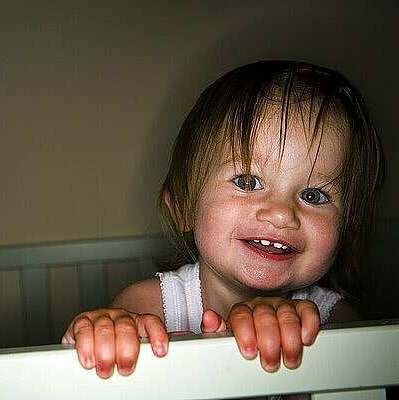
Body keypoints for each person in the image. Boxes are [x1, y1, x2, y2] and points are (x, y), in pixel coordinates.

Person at [61, 61, 385, 385]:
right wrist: (107, 337)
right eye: (247, 182)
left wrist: (297, 372)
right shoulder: (150, 306)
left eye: (313, 195)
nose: (282, 213)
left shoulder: (336, 322)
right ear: (184, 208)